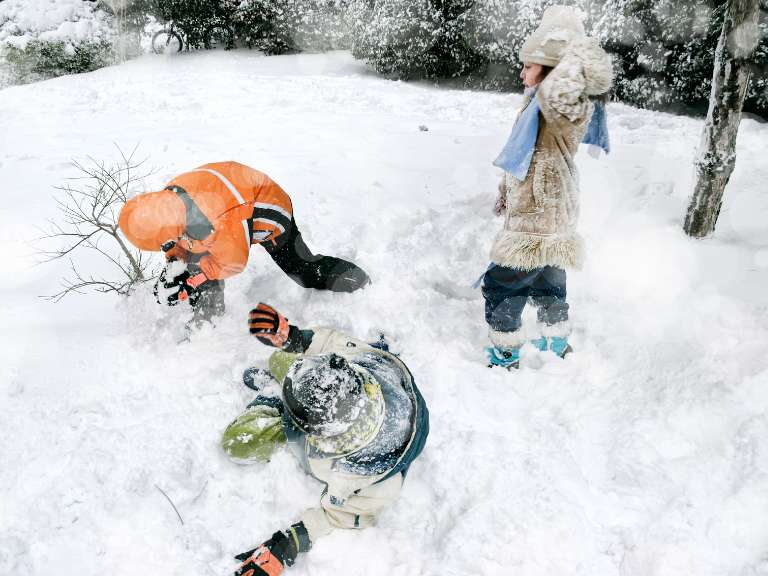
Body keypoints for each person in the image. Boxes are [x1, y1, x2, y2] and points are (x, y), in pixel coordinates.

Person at [220, 303, 429, 576]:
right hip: (329, 407)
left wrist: (285, 547)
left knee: (238, 444)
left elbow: (340, 516)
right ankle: (284, 388)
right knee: (280, 359)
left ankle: (271, 398)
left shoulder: (376, 482)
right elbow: (333, 344)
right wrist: (291, 337)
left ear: (316, 432)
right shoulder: (365, 371)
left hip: (325, 423)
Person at [483, 6, 613, 369]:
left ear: (553, 69)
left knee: (502, 282)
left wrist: (569, 45)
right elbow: (524, 155)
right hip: (546, 207)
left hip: (542, 209)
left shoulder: (562, 104)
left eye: (529, 64)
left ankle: (505, 352)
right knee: (546, 279)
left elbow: (573, 80)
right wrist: (505, 193)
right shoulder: (537, 103)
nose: (522, 71)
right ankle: (556, 340)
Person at [118, 161, 370, 322]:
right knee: (197, 263)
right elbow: (175, 238)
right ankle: (207, 321)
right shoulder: (169, 202)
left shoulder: (218, 220)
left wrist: (192, 278)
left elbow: (232, 262)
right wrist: (176, 264)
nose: (168, 244)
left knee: (302, 270)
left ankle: (359, 281)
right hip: (233, 202)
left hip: (267, 207)